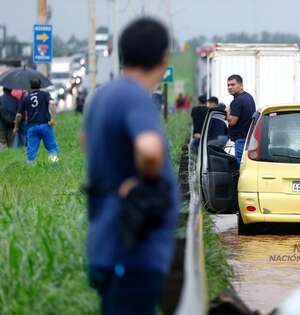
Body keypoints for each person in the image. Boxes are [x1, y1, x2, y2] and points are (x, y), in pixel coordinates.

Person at [81, 18, 179, 315]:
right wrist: (145, 180)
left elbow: (85, 140)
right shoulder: (135, 97)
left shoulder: (102, 96)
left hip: (106, 247)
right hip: (132, 254)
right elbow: (149, 149)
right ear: (164, 58)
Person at [13, 79, 59, 163]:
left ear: (30, 86)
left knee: (31, 150)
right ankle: (54, 164)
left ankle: (31, 168)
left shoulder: (26, 98)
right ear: (40, 85)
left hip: (32, 127)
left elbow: (19, 115)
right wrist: (53, 119)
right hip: (45, 125)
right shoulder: (45, 94)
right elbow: (52, 103)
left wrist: (16, 127)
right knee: (52, 148)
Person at [226, 74, 256, 163]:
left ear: (241, 85)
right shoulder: (249, 97)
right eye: (228, 85)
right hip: (249, 138)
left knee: (240, 165)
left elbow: (232, 121)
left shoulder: (237, 101)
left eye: (233, 84)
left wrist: (227, 112)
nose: (230, 87)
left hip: (240, 139)